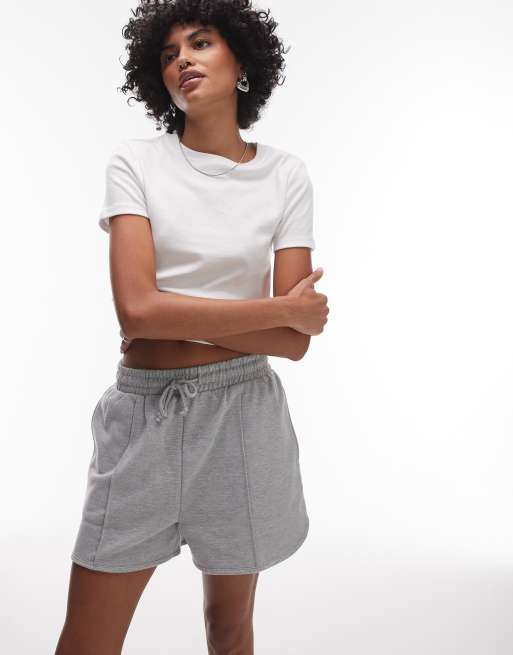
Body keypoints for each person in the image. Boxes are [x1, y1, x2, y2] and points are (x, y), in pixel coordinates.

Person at [55, 1, 329, 653]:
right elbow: (137, 312)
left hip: (244, 417)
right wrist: (275, 311)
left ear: (242, 64)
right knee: (87, 641)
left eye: (200, 43)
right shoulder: (135, 163)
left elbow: (293, 343)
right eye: (168, 53)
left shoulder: (285, 175)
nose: (182, 59)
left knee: (229, 629)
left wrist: (185, 316)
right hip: (143, 417)